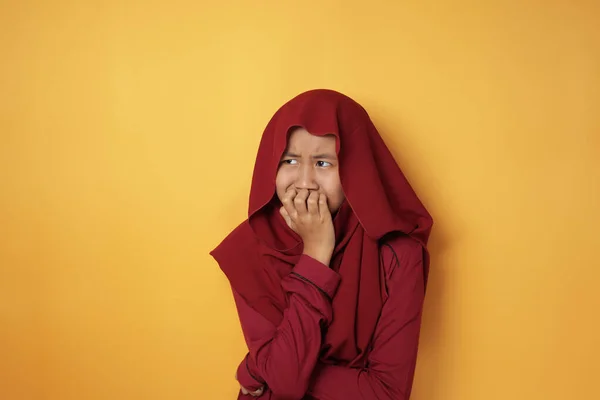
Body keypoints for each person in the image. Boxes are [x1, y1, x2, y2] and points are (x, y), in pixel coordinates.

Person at [210, 89, 433, 399]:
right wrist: (316, 254)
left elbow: (386, 393)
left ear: (357, 170)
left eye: (324, 163)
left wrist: (259, 367)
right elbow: (285, 380)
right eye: (290, 160)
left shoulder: (398, 255)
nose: (305, 182)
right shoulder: (248, 247)